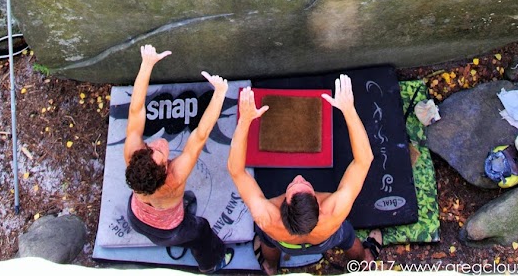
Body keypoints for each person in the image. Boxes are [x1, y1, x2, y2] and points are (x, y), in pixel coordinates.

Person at [227, 75, 382, 274]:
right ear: (319, 204)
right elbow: (364, 160)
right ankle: (364, 260)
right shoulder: (334, 212)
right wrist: (348, 110)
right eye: (304, 184)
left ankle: (270, 266)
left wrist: (245, 120)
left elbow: (236, 170)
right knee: (347, 237)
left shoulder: (267, 218)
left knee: (268, 239)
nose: (299, 177)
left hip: (282, 240)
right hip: (325, 237)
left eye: (296, 184)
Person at [124, 44, 233, 273]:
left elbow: (136, 110)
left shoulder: (132, 157)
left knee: (179, 221)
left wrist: (147, 64)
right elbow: (200, 135)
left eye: (152, 147)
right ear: (165, 173)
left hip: (136, 216)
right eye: (163, 156)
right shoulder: (175, 178)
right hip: (170, 230)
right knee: (200, 230)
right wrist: (220, 93)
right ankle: (210, 264)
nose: (161, 144)